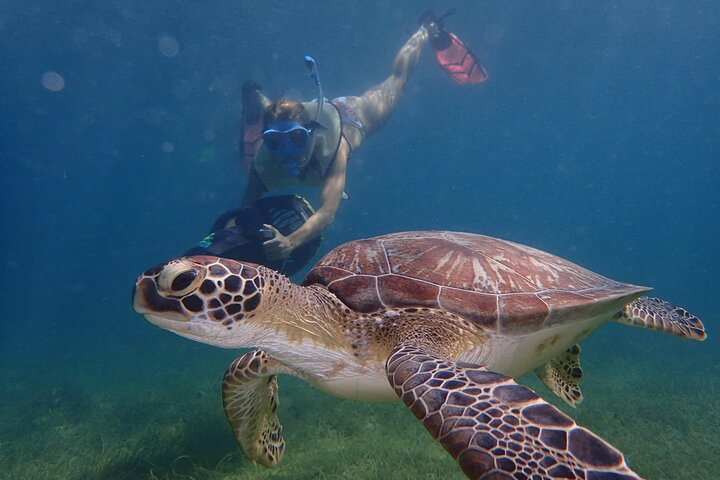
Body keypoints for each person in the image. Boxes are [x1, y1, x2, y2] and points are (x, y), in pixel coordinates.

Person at [239, 12, 486, 262]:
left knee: (396, 81)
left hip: (352, 115)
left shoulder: (334, 148)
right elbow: (245, 208)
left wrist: (290, 242)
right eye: (275, 142)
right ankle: (255, 96)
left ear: (312, 132)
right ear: (266, 141)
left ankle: (425, 30)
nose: (287, 151)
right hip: (301, 118)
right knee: (277, 116)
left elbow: (328, 212)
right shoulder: (264, 160)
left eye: (297, 139)